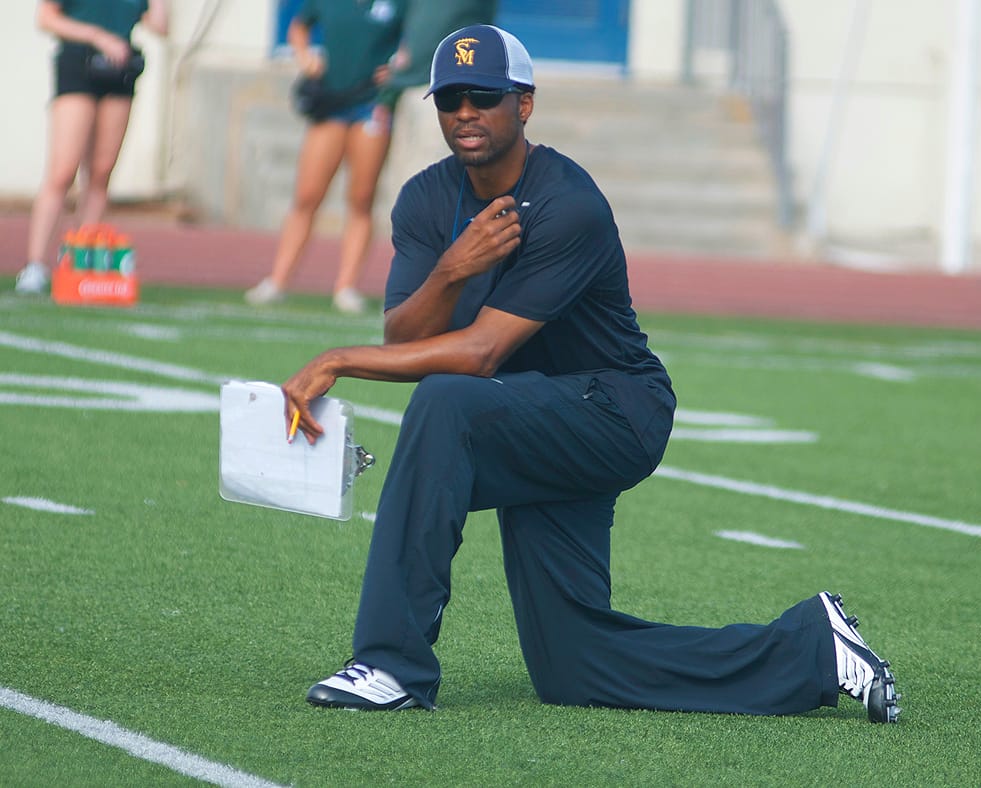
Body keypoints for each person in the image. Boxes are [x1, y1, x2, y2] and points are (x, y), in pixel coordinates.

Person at [281, 25, 902, 723]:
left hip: (611, 411)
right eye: (450, 98)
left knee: (446, 405)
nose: (465, 113)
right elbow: (404, 333)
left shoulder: (567, 203)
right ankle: (812, 650)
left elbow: (481, 351)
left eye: (484, 97)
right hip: (527, 411)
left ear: (525, 104)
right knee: (572, 663)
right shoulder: (426, 199)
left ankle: (390, 663)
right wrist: (454, 267)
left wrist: (335, 360)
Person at [244, 0, 408, 314]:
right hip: (331, 101)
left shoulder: (399, 3)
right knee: (307, 195)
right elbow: (299, 26)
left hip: (373, 103)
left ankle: (346, 288)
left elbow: (420, 39)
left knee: (361, 197)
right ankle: (278, 281)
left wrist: (401, 66)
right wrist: (305, 57)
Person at [14, 0, 170, 295]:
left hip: (120, 68)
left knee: (101, 172)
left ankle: (81, 260)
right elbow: (46, 18)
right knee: (62, 172)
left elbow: (160, 27)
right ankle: (35, 266)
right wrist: (97, 36)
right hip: (79, 62)